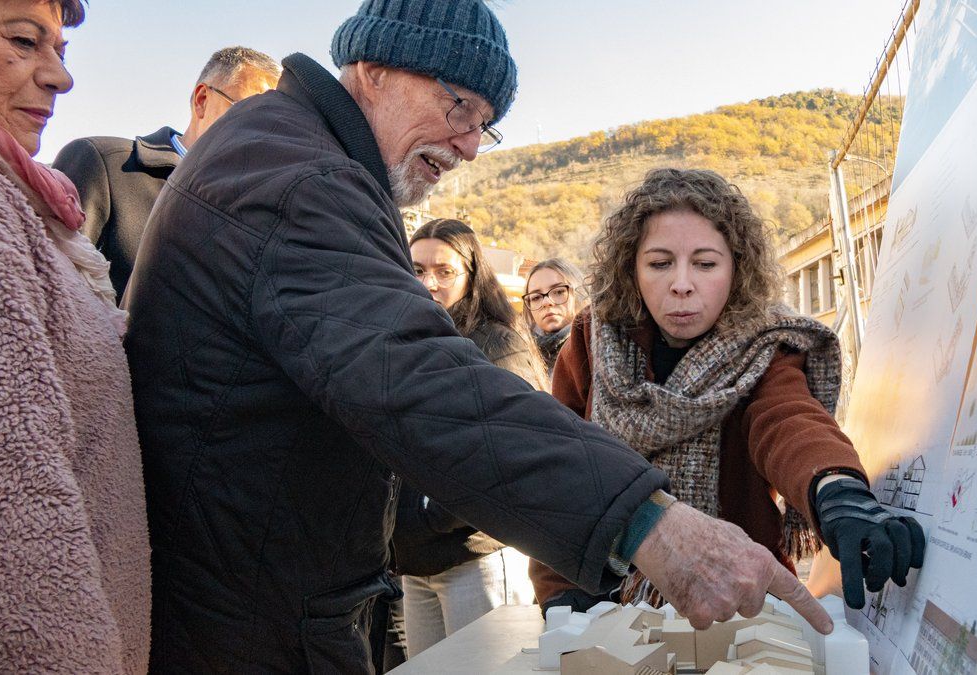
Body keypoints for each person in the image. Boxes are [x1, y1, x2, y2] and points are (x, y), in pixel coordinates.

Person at [123, 1, 835, 670]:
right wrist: (647, 521)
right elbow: (420, 380)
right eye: (457, 105)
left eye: (484, 124)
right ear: (373, 67)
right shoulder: (302, 182)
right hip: (251, 626)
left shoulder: (287, 151)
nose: (468, 144)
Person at [529, 168, 926, 612]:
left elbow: (787, 417)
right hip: (602, 598)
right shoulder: (591, 338)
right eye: (660, 263)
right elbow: (560, 463)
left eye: (705, 263)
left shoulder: (764, 341)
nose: (682, 283)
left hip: (741, 595)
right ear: (631, 270)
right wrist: (560, 595)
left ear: (736, 269)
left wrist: (838, 491)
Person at [0, 0, 151, 672]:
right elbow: (12, 513)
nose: (60, 78)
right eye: (24, 40)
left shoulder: (19, 194)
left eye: (60, 48)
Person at [393, 218, 544, 656]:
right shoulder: (409, 341)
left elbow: (514, 452)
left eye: (444, 272)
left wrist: (430, 517)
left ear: (472, 276)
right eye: (417, 269)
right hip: (418, 560)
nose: (428, 283)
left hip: (477, 554)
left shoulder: (497, 345)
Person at [52, 46, 279, 301]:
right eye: (249, 113)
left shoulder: (262, 212)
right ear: (202, 100)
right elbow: (50, 294)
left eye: (272, 125)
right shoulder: (100, 163)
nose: (260, 135)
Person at [523, 257, 587, 375]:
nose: (546, 302)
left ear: (579, 293)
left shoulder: (594, 349)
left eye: (558, 292)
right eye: (536, 297)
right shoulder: (520, 356)